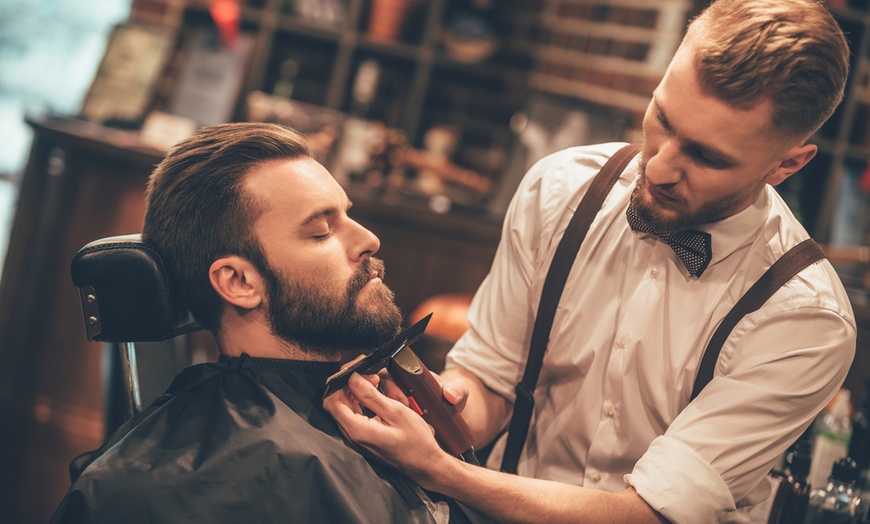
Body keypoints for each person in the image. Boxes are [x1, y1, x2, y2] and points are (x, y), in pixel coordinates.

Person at [323, 0, 858, 522]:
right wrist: (448, 409)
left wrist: (442, 470)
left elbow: (649, 513)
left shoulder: (806, 318)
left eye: (707, 156)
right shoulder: (561, 190)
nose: (662, 167)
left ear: (787, 164)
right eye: (663, 119)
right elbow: (491, 379)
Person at [50, 122, 477, 523]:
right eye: (322, 232)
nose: (369, 240)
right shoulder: (168, 487)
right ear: (238, 281)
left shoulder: (374, 408)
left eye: (348, 215)